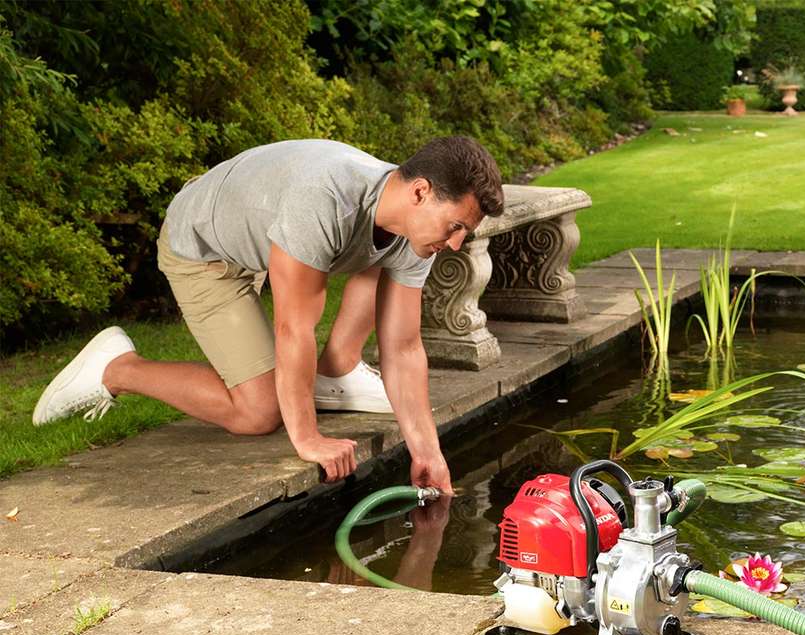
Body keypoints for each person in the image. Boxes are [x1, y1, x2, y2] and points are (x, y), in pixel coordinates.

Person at [32, 137, 505, 494]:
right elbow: (293, 327)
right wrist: (308, 438)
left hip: (262, 236)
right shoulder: (324, 202)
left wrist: (427, 450)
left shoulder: (415, 226)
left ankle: (337, 372)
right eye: (456, 227)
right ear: (420, 191)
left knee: (386, 265)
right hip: (204, 248)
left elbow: (403, 346)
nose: (457, 244)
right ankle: (117, 367)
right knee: (258, 411)